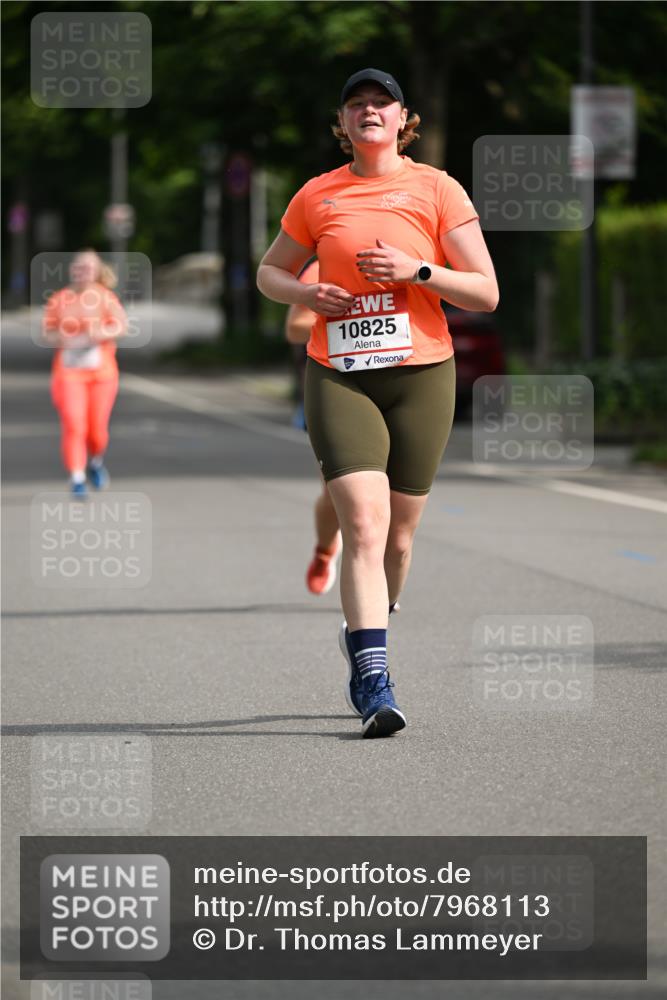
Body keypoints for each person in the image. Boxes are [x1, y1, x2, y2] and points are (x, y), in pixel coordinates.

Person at [257, 68, 498, 738]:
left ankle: (366, 627)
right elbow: (270, 272)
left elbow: (485, 292)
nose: (368, 111)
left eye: (380, 103)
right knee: (362, 524)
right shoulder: (317, 194)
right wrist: (306, 294)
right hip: (340, 374)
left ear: (401, 119)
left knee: (397, 535)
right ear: (343, 123)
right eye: (356, 104)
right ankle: (372, 677)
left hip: (422, 374)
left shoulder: (436, 189)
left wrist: (418, 271)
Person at [43, 249, 127, 497]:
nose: (82, 272)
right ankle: (77, 477)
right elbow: (46, 333)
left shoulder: (105, 298)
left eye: (88, 268)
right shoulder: (59, 299)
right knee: (74, 423)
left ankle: (95, 461)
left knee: (97, 431)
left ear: (97, 272)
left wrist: (101, 333)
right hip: (69, 373)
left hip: (102, 375)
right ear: (72, 270)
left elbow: (122, 326)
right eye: (79, 267)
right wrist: (60, 337)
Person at [285, 258, 342, 596]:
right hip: (335, 388)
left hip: (398, 388)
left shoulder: (406, 258)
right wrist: (349, 320)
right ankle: (325, 550)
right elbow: (295, 326)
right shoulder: (325, 266)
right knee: (336, 492)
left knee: (395, 496)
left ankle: (383, 579)